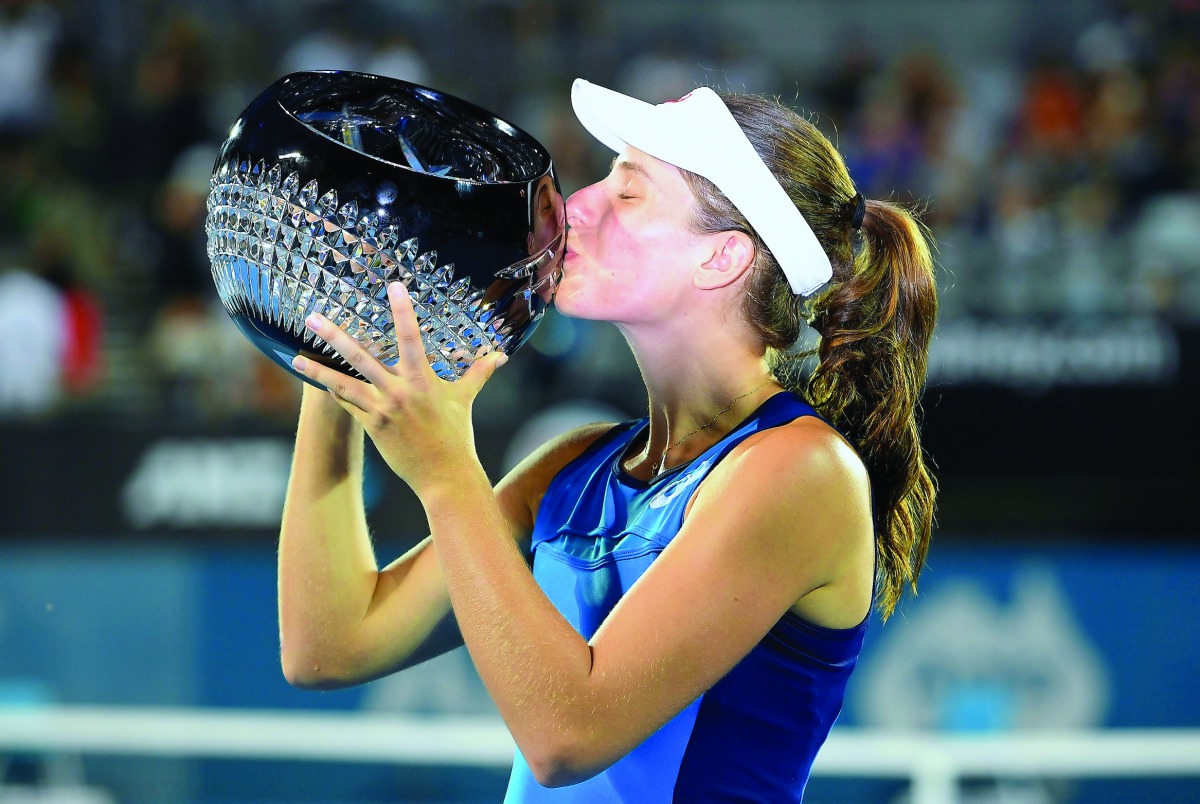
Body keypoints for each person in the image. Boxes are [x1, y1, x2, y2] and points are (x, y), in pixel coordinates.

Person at [278, 78, 938, 802]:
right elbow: (328, 645)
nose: (576, 205)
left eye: (628, 192)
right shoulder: (575, 465)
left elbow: (567, 736)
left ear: (722, 258)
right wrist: (340, 342)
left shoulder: (802, 471)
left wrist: (445, 473)